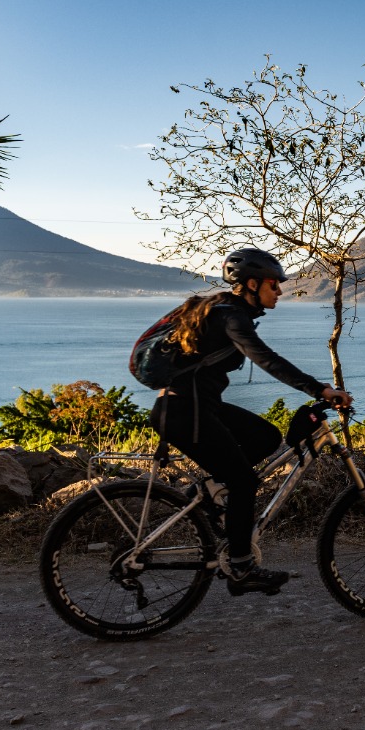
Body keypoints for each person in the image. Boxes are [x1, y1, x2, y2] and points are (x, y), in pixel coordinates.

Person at [151, 247, 351, 595]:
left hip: (196, 408)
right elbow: (268, 360)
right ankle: (242, 567)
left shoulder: (223, 310)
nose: (280, 292)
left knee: (265, 437)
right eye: (274, 285)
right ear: (252, 283)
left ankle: (209, 491)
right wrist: (319, 389)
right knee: (244, 482)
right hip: (185, 413)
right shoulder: (231, 317)